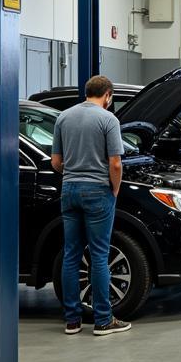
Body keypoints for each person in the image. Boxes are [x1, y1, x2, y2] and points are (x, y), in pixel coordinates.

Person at [51, 74, 130, 336]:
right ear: (107, 95)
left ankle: (72, 320)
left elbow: (55, 162)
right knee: (98, 255)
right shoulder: (109, 119)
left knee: (71, 254)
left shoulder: (64, 117)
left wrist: (73, 175)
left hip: (69, 190)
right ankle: (103, 320)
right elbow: (116, 163)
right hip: (98, 190)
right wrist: (114, 189)